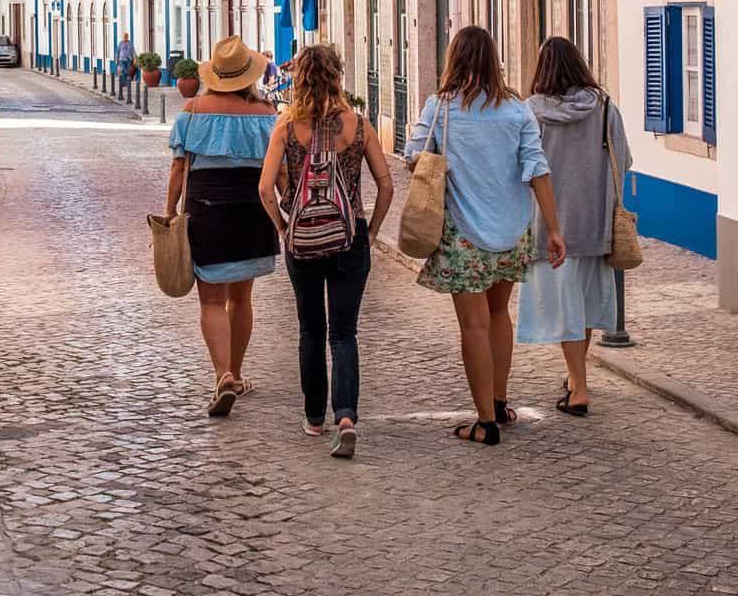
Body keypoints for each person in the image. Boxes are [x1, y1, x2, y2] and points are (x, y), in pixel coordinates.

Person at [405, 26, 565, 447]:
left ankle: (484, 422)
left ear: (453, 59)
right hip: (512, 235)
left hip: (464, 236)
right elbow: (538, 169)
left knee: (473, 326)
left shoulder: (441, 108)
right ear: (494, 60)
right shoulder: (516, 110)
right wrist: (555, 229)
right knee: (499, 317)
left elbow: (412, 156)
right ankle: (498, 401)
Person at [259, 44, 393, 459]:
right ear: (337, 76)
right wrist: (369, 231)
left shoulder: (286, 127)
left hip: (303, 243)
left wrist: (284, 228)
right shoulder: (359, 126)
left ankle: (315, 417)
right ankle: (347, 417)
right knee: (344, 332)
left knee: (311, 331)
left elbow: (265, 189)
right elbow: (386, 186)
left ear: (299, 78)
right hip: (349, 237)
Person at [517, 37, 632, 417]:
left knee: (566, 309)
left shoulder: (531, 112)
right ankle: (574, 377)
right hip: (594, 223)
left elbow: (521, 168)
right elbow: (624, 160)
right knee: (580, 308)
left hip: (551, 229)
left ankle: (579, 389)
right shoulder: (604, 108)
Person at [165, 36, 278, 417]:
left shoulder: (193, 111)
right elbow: (279, 172)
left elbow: (179, 167)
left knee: (211, 300)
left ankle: (222, 374)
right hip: (252, 211)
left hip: (207, 211)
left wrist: (169, 212)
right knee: (242, 298)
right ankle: (238, 372)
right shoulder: (267, 113)